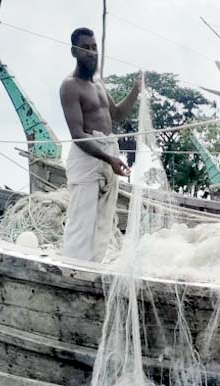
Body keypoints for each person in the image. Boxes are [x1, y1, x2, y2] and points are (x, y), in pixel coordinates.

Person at [59, 27, 140, 262]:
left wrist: (135, 91)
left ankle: (92, 272)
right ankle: (72, 271)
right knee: (81, 222)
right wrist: (108, 159)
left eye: (95, 48)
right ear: (74, 51)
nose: (92, 53)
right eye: (86, 48)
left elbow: (115, 114)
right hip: (87, 157)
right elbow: (77, 133)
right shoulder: (69, 86)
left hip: (108, 152)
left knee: (103, 222)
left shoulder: (99, 83)